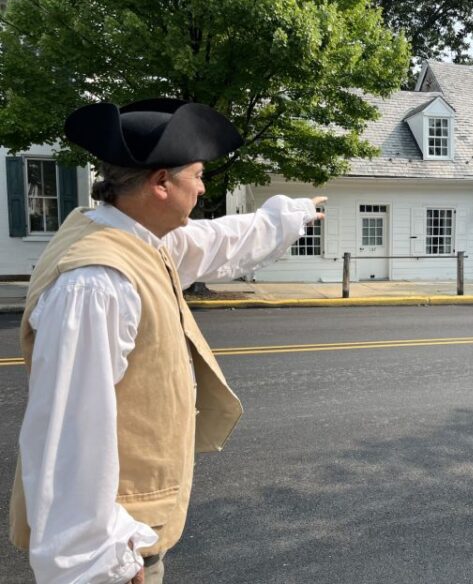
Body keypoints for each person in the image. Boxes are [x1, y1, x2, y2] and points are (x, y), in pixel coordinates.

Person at [8, 98, 325, 583]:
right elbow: (72, 436)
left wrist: (291, 215)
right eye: (196, 175)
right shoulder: (96, 282)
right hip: (115, 557)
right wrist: (101, 560)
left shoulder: (137, 239)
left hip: (132, 541)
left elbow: (216, 240)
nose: (202, 187)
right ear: (161, 183)